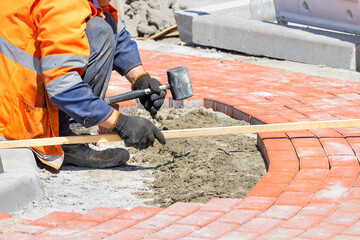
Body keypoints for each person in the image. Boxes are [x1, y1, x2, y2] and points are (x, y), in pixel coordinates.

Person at [0, 0, 167, 170]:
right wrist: (119, 123)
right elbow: (62, 85)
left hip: (16, 93)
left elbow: (112, 25)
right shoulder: (63, 4)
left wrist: (140, 79)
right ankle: (65, 138)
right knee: (100, 30)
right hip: (11, 115)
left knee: (101, 26)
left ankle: (69, 131)